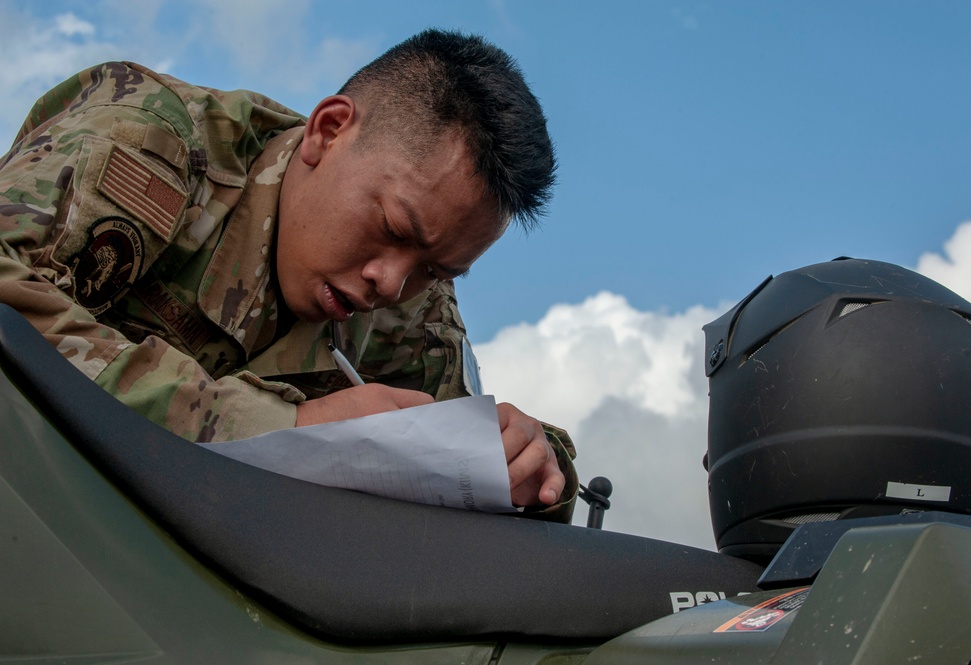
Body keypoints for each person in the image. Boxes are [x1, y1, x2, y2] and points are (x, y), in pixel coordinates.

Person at [0, 29, 577, 521]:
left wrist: (536, 468)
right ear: (327, 131)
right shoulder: (151, 142)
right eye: (397, 229)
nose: (392, 285)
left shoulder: (413, 313)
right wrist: (291, 425)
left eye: (436, 270)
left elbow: (472, 460)